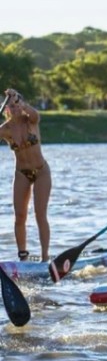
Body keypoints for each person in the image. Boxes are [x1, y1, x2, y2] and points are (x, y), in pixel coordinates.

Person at [0, 88, 52, 262]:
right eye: (11, 108)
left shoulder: (31, 121)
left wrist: (19, 101)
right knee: (20, 216)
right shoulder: (5, 130)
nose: (14, 110)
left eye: (17, 106)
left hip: (41, 171)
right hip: (21, 173)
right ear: (6, 110)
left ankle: (45, 258)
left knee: (40, 214)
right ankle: (23, 257)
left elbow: (35, 113)